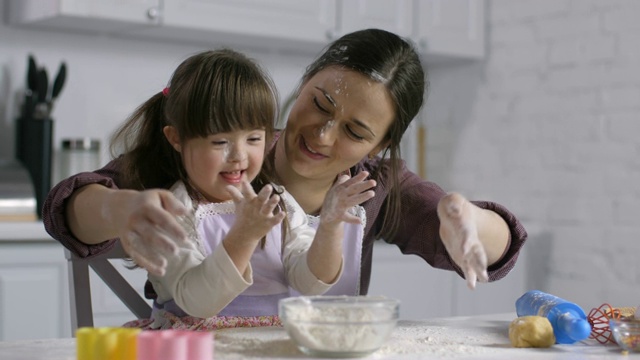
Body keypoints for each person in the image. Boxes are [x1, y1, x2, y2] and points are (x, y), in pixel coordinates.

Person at [43, 29, 527, 308]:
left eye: (355, 133)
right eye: (319, 104)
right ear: (305, 81)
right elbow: (67, 207)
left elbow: (498, 246)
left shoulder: (375, 186)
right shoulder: (217, 157)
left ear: (381, 146)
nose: (321, 135)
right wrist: (119, 208)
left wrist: (463, 215)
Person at [62, 49, 377, 327]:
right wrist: (244, 235)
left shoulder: (278, 202)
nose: (239, 156)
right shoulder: (174, 210)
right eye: (220, 142)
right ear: (176, 138)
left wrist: (331, 226)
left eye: (254, 139)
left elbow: (310, 282)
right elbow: (195, 302)